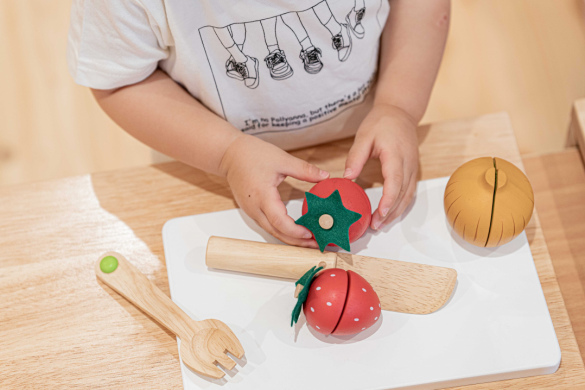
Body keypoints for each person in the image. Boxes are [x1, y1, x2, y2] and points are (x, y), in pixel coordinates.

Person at [67, 0, 450, 249]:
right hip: (203, 153)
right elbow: (121, 80)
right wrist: (226, 154)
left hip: (369, 141)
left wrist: (399, 105)